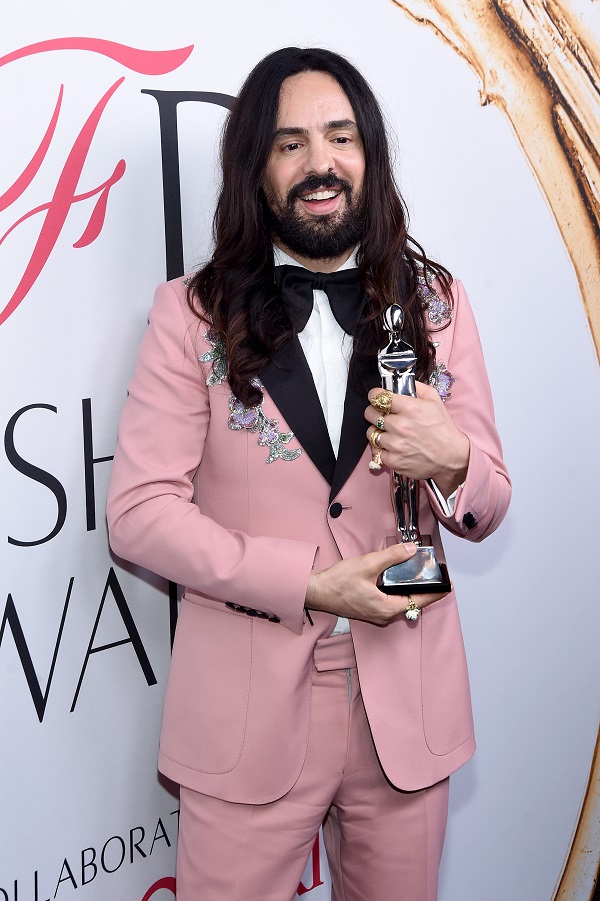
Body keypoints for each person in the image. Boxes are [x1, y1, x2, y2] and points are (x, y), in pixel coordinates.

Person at [107, 46, 510, 901]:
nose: (320, 163)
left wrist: (456, 460)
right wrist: (314, 583)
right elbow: (140, 512)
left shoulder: (436, 301)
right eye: (290, 144)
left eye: (340, 136)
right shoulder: (192, 314)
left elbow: (488, 502)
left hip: (407, 703)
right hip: (247, 714)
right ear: (255, 169)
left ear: (371, 154)